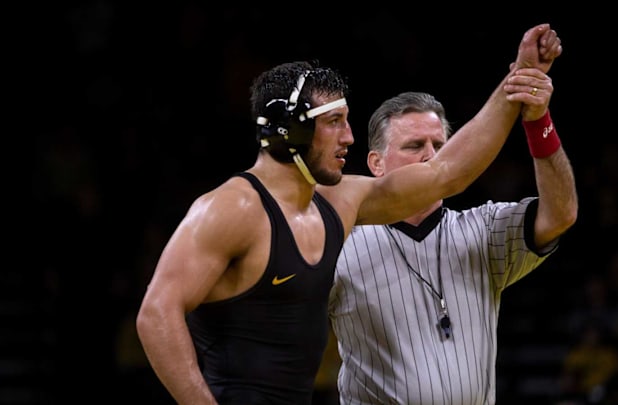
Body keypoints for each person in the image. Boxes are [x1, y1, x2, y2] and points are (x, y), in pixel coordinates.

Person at [135, 23, 563, 405]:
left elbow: (447, 174)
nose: (350, 137)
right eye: (335, 122)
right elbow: (156, 314)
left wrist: (516, 86)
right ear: (293, 129)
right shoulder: (233, 207)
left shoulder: (340, 202)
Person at [327, 73, 577, 404]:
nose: (433, 158)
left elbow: (561, 214)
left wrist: (539, 122)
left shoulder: (483, 229)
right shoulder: (339, 243)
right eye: (415, 146)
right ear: (376, 164)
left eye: (441, 147)